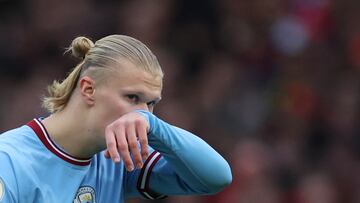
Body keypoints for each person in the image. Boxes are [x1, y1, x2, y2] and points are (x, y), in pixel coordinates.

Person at [0, 35, 232, 203]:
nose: (143, 114)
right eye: (133, 97)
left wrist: (157, 128)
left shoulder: (119, 157)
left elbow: (215, 178)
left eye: (151, 104)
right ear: (89, 90)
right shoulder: (9, 160)